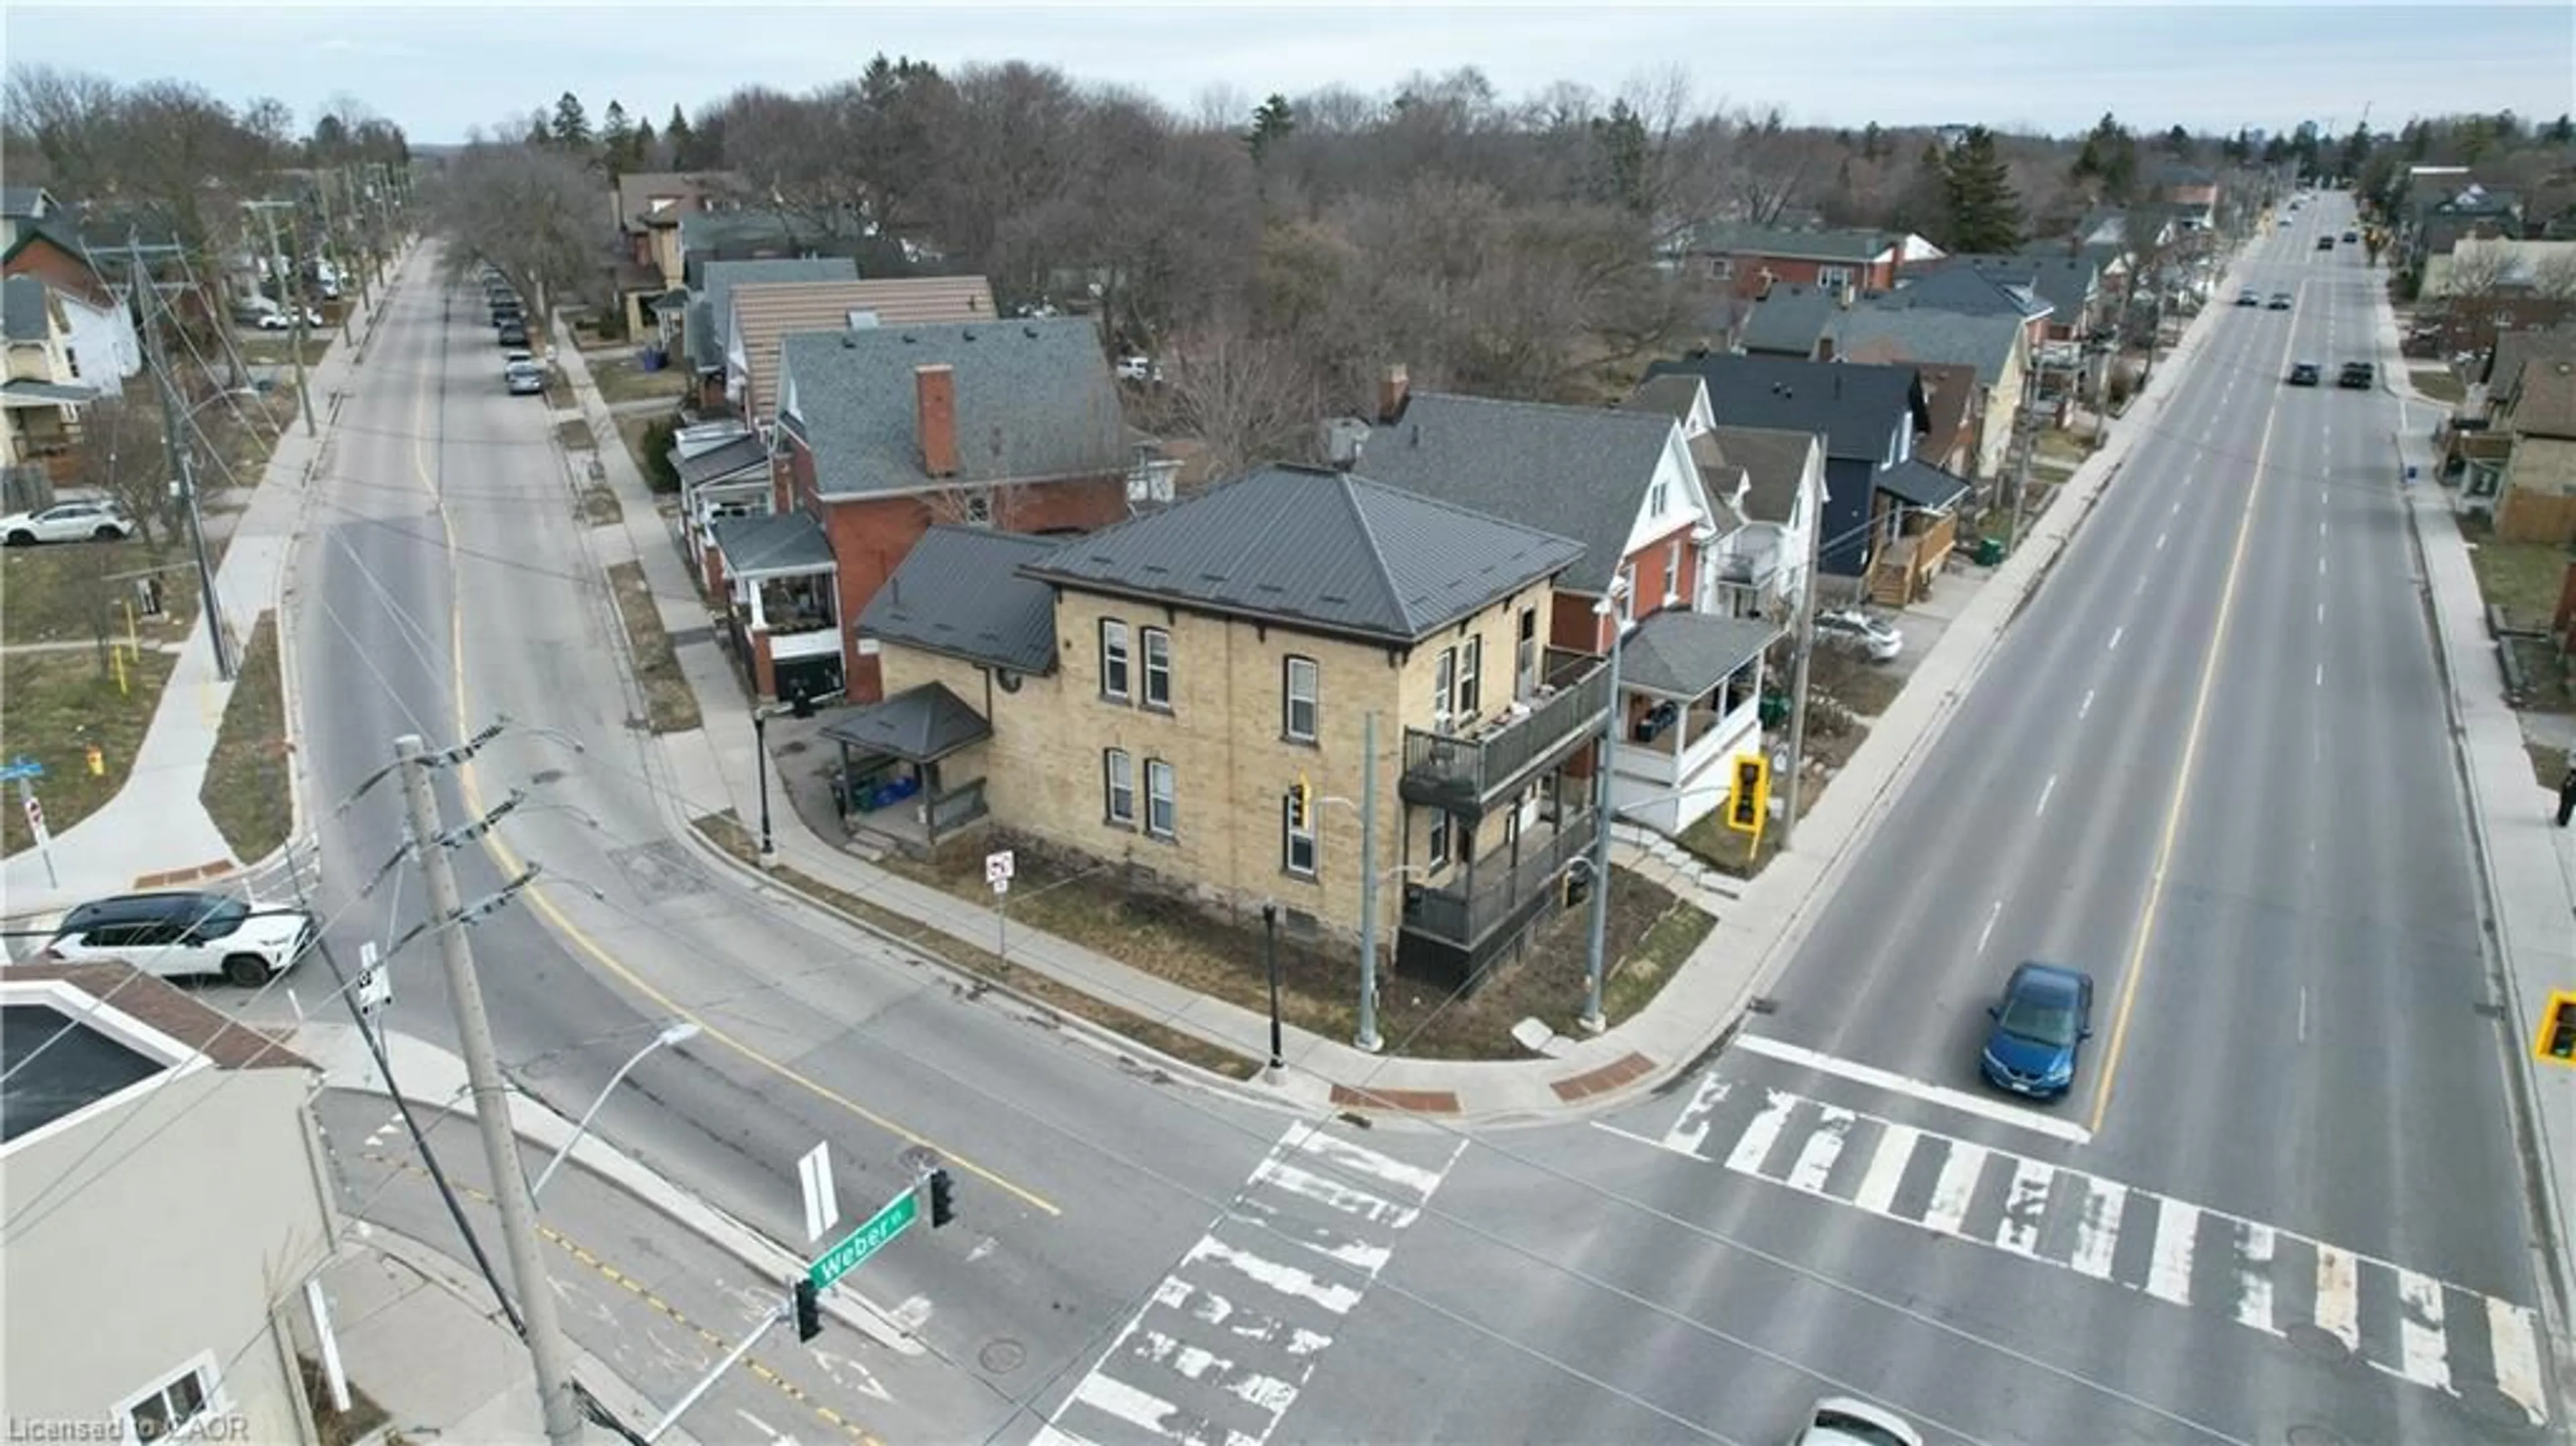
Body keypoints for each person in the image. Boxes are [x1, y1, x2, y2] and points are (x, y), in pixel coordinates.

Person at [2558, 761, 2576, 828]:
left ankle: (2562, 821)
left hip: (2568, 796)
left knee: (2565, 807)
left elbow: (2565, 785)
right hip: (2571, 797)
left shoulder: (2570, 778)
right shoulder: (2570, 778)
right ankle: (2564, 821)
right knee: (2568, 808)